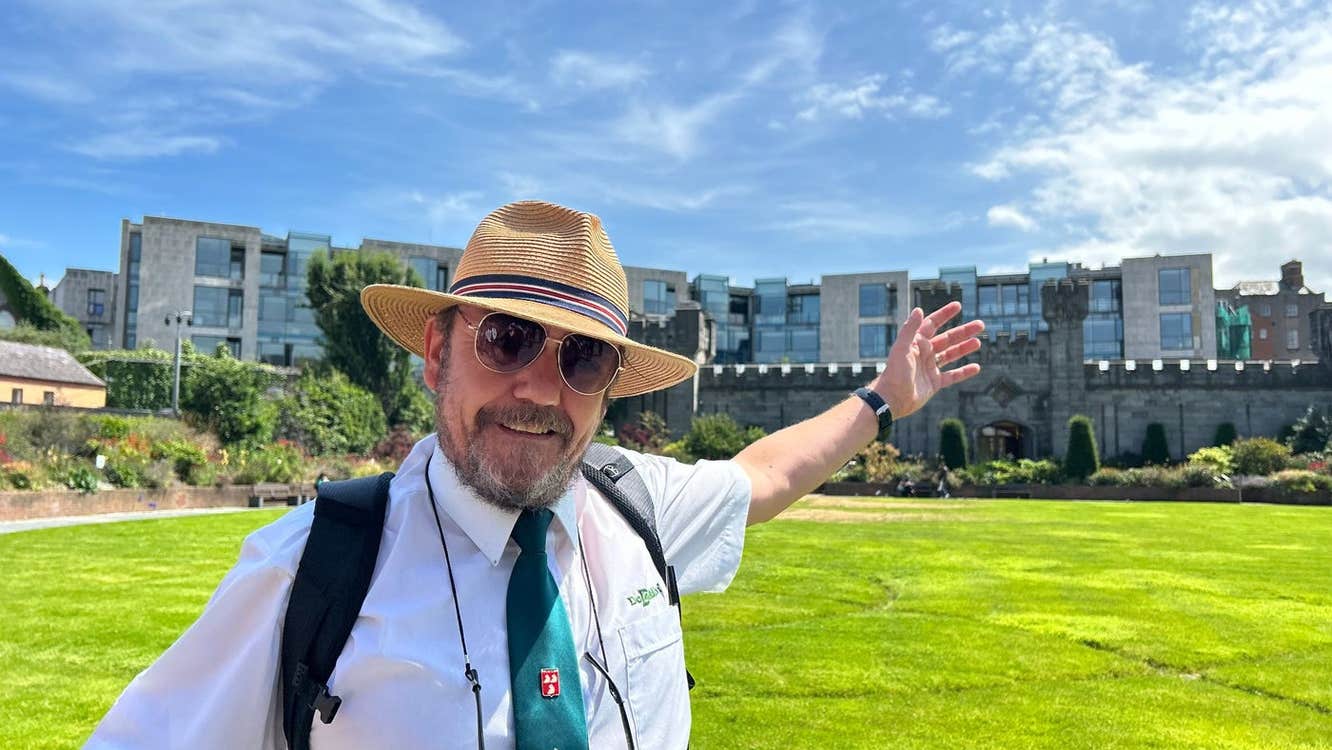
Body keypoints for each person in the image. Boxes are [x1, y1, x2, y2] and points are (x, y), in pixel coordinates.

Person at [87, 200, 983, 749]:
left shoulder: (636, 507)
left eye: (583, 358)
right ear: (437, 352)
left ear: (609, 390)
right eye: (506, 339)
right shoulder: (308, 573)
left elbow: (769, 475)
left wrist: (882, 397)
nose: (538, 388)